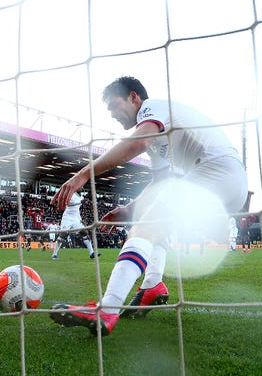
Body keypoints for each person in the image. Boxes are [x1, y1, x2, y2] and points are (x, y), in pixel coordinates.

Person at [49, 76, 247, 335]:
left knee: (143, 229)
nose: (112, 115)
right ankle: (152, 286)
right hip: (224, 182)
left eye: (113, 106)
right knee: (155, 224)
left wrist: (84, 174)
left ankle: (107, 310)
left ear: (134, 97)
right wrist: (129, 208)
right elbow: (160, 183)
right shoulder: (158, 138)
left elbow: (139, 141)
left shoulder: (151, 109)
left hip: (216, 169)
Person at [51, 192, 99, 260]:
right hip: (67, 218)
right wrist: (80, 202)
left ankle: (91, 253)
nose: (81, 187)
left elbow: (77, 210)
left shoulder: (81, 196)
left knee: (84, 232)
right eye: (80, 186)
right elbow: (68, 203)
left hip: (75, 218)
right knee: (63, 235)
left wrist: (80, 220)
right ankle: (54, 254)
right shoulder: (71, 193)